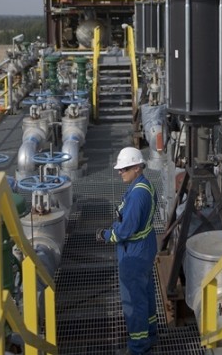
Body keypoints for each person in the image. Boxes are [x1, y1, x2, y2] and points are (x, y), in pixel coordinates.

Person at [97, 147, 159, 355]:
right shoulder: (144, 186)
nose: (119, 172)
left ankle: (138, 347)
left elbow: (126, 229)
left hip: (133, 253)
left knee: (134, 301)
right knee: (146, 293)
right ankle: (151, 334)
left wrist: (106, 235)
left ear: (136, 168)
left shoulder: (138, 195)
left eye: (123, 169)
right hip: (145, 247)